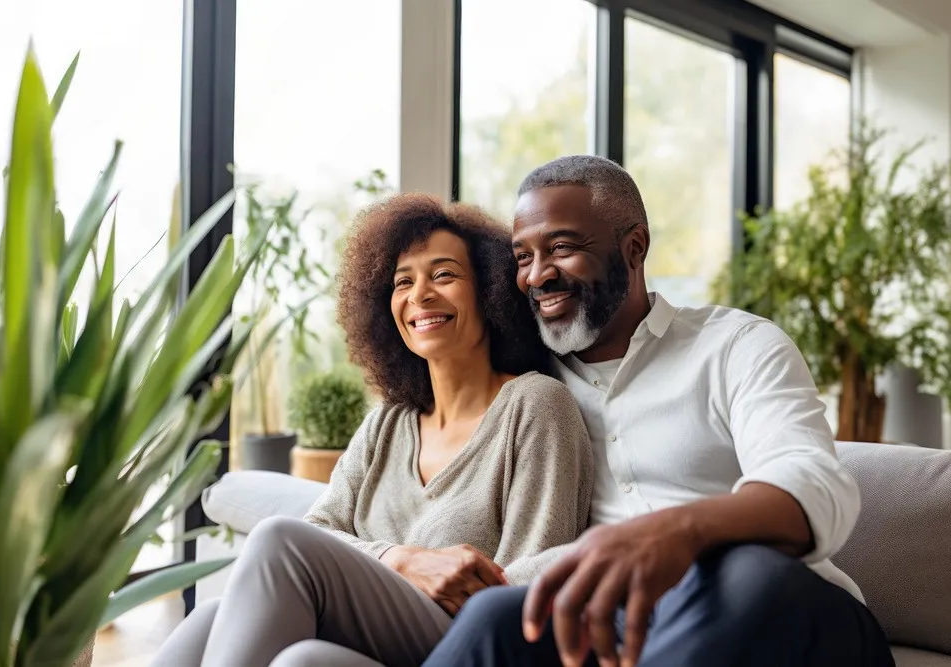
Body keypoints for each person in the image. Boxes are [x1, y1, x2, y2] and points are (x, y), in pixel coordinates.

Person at [421, 156, 895, 667]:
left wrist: (682, 531)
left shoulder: (736, 345)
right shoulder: (528, 389)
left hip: (791, 613)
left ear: (634, 248)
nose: (538, 275)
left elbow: (814, 484)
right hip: (629, 625)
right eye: (522, 257)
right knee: (496, 616)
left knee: (746, 571)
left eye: (561, 247)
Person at [151, 194, 594, 667]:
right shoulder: (389, 422)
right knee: (229, 625)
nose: (420, 295)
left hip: (467, 641)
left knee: (277, 540)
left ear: (490, 292)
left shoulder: (535, 405)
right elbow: (320, 527)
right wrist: (399, 559)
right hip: (377, 645)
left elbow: (529, 582)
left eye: (443, 275)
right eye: (403, 282)